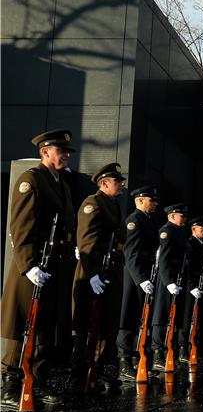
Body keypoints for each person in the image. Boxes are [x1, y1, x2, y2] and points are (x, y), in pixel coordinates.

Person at [1, 129, 77, 409]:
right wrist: (28, 265)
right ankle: (9, 382)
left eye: (68, 151)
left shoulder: (62, 184)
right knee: (23, 322)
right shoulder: (31, 179)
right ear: (45, 152)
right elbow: (21, 227)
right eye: (61, 150)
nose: (67, 155)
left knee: (45, 324)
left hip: (54, 265)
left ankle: (36, 377)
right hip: (33, 266)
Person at [69, 162, 126, 391]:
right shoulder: (93, 203)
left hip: (109, 271)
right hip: (93, 272)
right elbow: (87, 242)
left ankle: (99, 370)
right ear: (104, 183)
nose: (122, 185)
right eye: (117, 182)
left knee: (106, 325)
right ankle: (78, 375)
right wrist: (92, 274)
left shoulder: (112, 205)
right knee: (85, 327)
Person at [116, 185, 160, 381]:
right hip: (134, 278)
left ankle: (136, 359)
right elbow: (131, 253)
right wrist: (141, 279)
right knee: (129, 317)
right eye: (152, 200)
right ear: (140, 201)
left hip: (145, 276)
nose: (155, 203)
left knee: (140, 320)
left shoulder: (148, 220)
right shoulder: (135, 220)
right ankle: (124, 363)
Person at [151, 203, 190, 371]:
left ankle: (168, 351)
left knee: (173, 316)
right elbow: (163, 260)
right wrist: (168, 282)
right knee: (161, 316)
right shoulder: (167, 231)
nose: (185, 219)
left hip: (177, 279)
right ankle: (157, 354)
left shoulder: (180, 232)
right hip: (167, 280)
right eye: (182, 216)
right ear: (173, 216)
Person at [179, 216, 203, 364]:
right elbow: (188, 268)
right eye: (202, 228)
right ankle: (182, 349)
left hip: (199, 285)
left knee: (196, 318)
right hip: (190, 286)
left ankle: (192, 347)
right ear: (193, 229)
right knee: (186, 319)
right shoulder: (190, 244)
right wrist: (191, 287)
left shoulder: (202, 244)